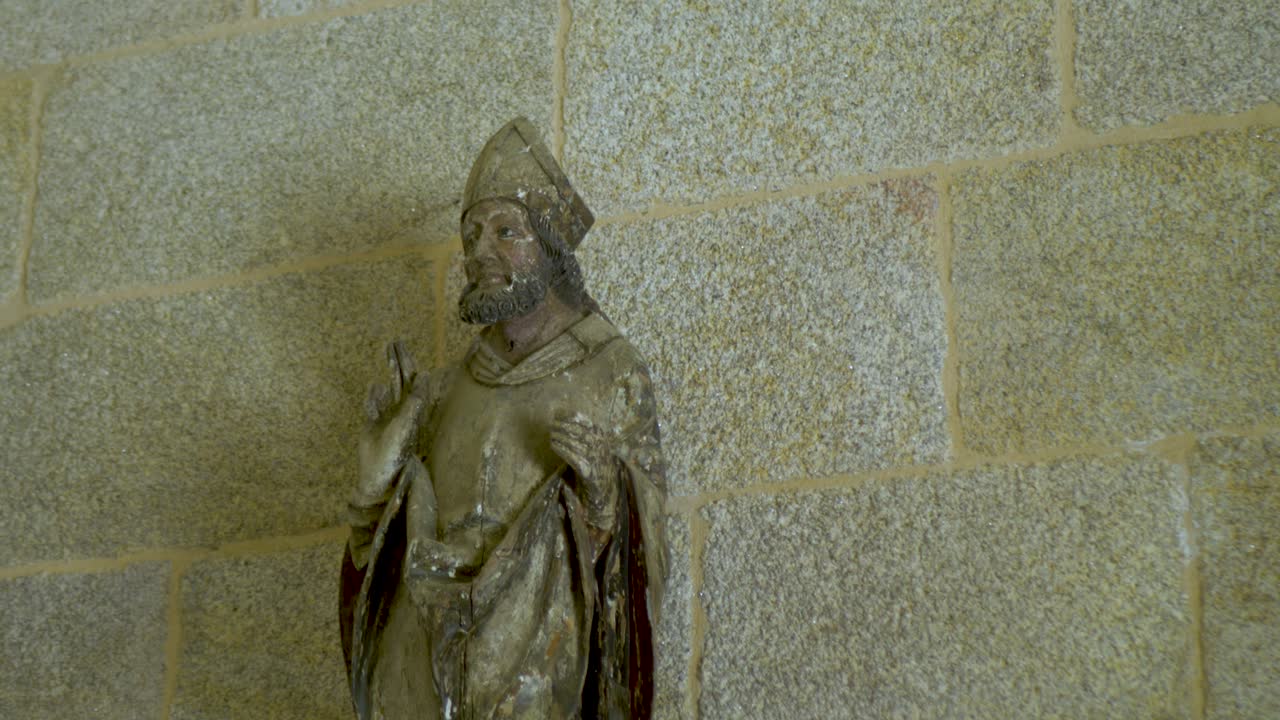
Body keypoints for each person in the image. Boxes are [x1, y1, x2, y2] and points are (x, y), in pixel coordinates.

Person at [339, 118, 667, 720]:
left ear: (549, 246)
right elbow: (374, 551)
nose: (479, 251)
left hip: (532, 670)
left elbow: (641, 553)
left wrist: (604, 497)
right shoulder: (438, 393)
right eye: (471, 234)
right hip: (417, 669)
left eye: (505, 230)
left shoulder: (607, 369)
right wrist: (374, 485)